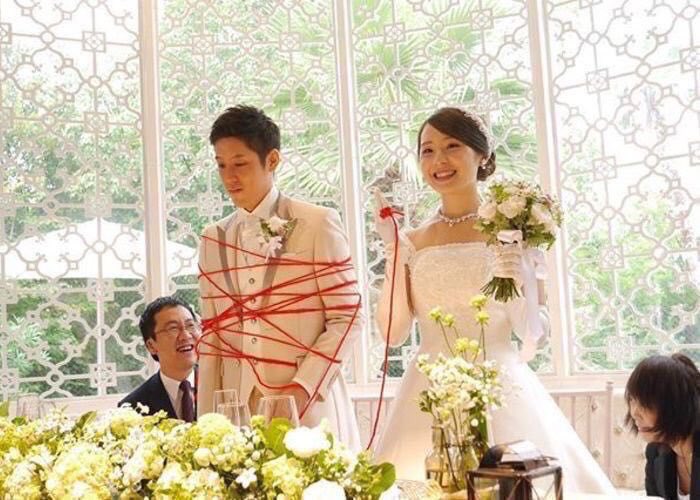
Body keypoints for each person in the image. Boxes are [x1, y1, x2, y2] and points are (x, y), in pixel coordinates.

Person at [372, 107, 615, 493]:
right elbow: (393, 333)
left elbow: (534, 331)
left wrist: (516, 272)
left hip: (501, 388)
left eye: (452, 146)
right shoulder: (411, 241)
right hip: (429, 391)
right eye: (427, 150)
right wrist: (393, 252)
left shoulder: (511, 231)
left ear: (482, 156)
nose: (439, 160)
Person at [197, 105, 362, 450]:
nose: (229, 177)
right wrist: (207, 422)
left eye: (240, 164)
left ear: (272, 160)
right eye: (221, 165)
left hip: (306, 404)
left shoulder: (317, 223)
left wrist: (303, 387)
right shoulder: (213, 239)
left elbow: (347, 318)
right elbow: (212, 338)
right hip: (236, 410)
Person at [626, 353, 700, 499]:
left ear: (677, 405)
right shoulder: (655, 452)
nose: (634, 413)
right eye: (632, 400)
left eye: (645, 402)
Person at [119, 296, 199, 422]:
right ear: (151, 346)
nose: (186, 335)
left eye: (190, 325)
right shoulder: (133, 409)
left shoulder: (221, 385)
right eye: (173, 328)